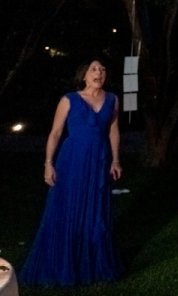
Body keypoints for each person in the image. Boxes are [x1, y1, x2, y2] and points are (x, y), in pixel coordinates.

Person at [20, 58, 123, 286]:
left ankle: (95, 263)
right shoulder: (69, 100)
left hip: (99, 161)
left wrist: (115, 160)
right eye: (94, 69)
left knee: (96, 211)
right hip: (73, 161)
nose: (99, 72)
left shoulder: (113, 100)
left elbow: (114, 132)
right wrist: (48, 163)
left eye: (103, 69)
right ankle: (63, 263)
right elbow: (55, 133)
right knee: (69, 208)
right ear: (84, 75)